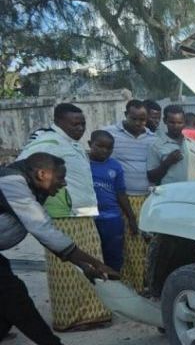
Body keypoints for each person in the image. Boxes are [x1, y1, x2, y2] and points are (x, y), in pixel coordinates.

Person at [1, 153, 119, 345]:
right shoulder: (12, 183)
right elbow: (42, 229)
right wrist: (96, 262)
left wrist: (84, 266)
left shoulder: (31, 185)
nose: (63, 183)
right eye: (60, 178)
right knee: (13, 295)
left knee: (7, 297)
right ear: (42, 174)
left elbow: (45, 236)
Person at [17, 103, 112, 331]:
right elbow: (21, 165)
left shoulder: (71, 143)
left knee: (89, 263)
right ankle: (68, 319)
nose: (80, 128)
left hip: (83, 212)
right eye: (74, 123)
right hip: (62, 214)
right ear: (59, 121)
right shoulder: (47, 142)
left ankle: (91, 314)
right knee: (67, 268)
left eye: (82, 124)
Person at [104, 99, 154, 291]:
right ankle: (133, 286)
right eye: (134, 119)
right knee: (130, 244)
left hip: (148, 198)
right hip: (123, 198)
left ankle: (146, 283)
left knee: (147, 245)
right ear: (126, 115)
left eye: (143, 119)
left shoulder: (152, 138)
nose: (139, 123)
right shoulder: (110, 134)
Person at [89, 130, 138, 272]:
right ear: (90, 144)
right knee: (93, 255)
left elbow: (121, 193)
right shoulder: (83, 164)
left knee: (114, 256)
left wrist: (131, 218)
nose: (104, 150)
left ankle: (114, 285)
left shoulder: (115, 166)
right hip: (90, 218)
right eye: (100, 146)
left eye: (109, 148)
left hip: (112, 218)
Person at [147, 104, 195, 186]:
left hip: (193, 195)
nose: (176, 126)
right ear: (165, 121)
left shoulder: (194, 144)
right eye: (172, 122)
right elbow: (151, 177)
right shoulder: (156, 145)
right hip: (170, 195)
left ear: (184, 122)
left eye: (179, 122)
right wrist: (167, 163)